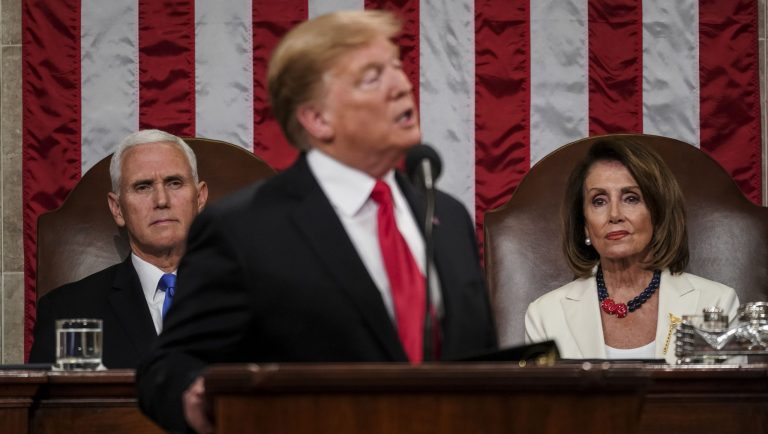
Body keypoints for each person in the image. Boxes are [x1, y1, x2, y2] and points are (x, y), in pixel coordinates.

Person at [137, 10, 497, 434]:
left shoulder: (447, 216)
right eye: (372, 77)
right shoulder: (244, 229)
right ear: (317, 119)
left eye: (397, 67)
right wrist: (195, 394)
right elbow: (168, 365)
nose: (401, 85)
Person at [524, 137, 739, 363]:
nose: (615, 215)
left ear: (658, 213)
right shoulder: (545, 315)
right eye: (599, 201)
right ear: (585, 224)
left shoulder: (717, 304)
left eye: (631, 198)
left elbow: (726, 397)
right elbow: (542, 400)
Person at [29, 129, 208, 368]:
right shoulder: (67, 311)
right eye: (143, 187)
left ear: (199, 198)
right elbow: (55, 405)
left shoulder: (251, 297)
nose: (162, 200)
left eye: (174, 183)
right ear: (117, 209)